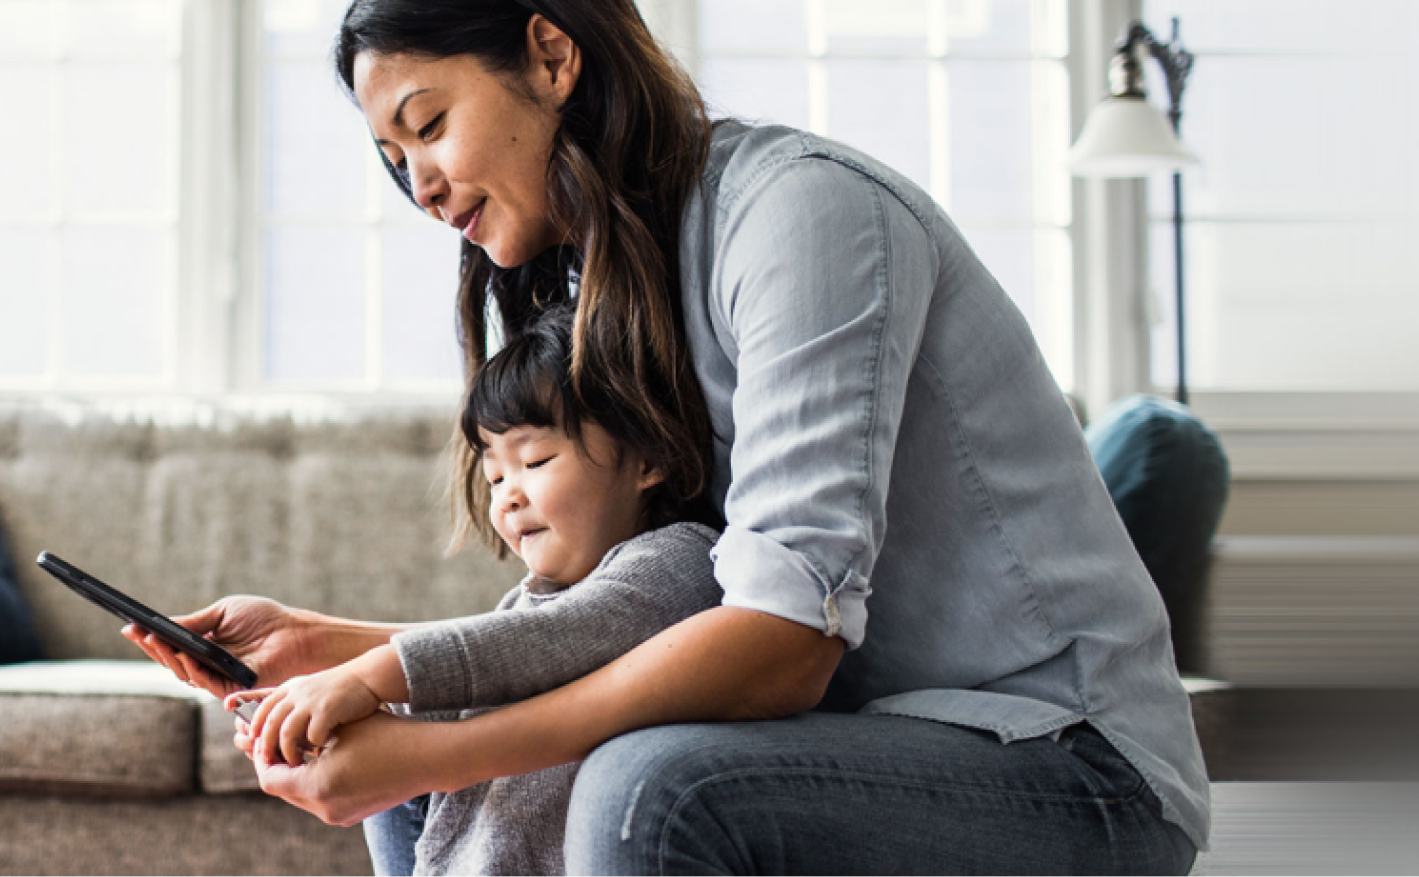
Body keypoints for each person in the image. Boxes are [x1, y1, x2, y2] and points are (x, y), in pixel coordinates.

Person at [129, 1, 1209, 874]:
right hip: (864, 729)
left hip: (1066, 760)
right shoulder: (615, 282)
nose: (417, 184)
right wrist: (350, 649)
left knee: (648, 787)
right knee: (419, 771)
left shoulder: (802, 217)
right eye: (389, 156)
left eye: (426, 124)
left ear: (550, 54)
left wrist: (435, 743)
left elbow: (783, 641)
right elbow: (649, 600)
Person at [224, 304, 723, 875]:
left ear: (648, 459)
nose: (507, 495)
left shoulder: (681, 558)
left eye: (535, 459)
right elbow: (463, 687)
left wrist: (365, 674)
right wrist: (312, 721)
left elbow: (553, 639)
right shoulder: (530, 599)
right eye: (495, 475)